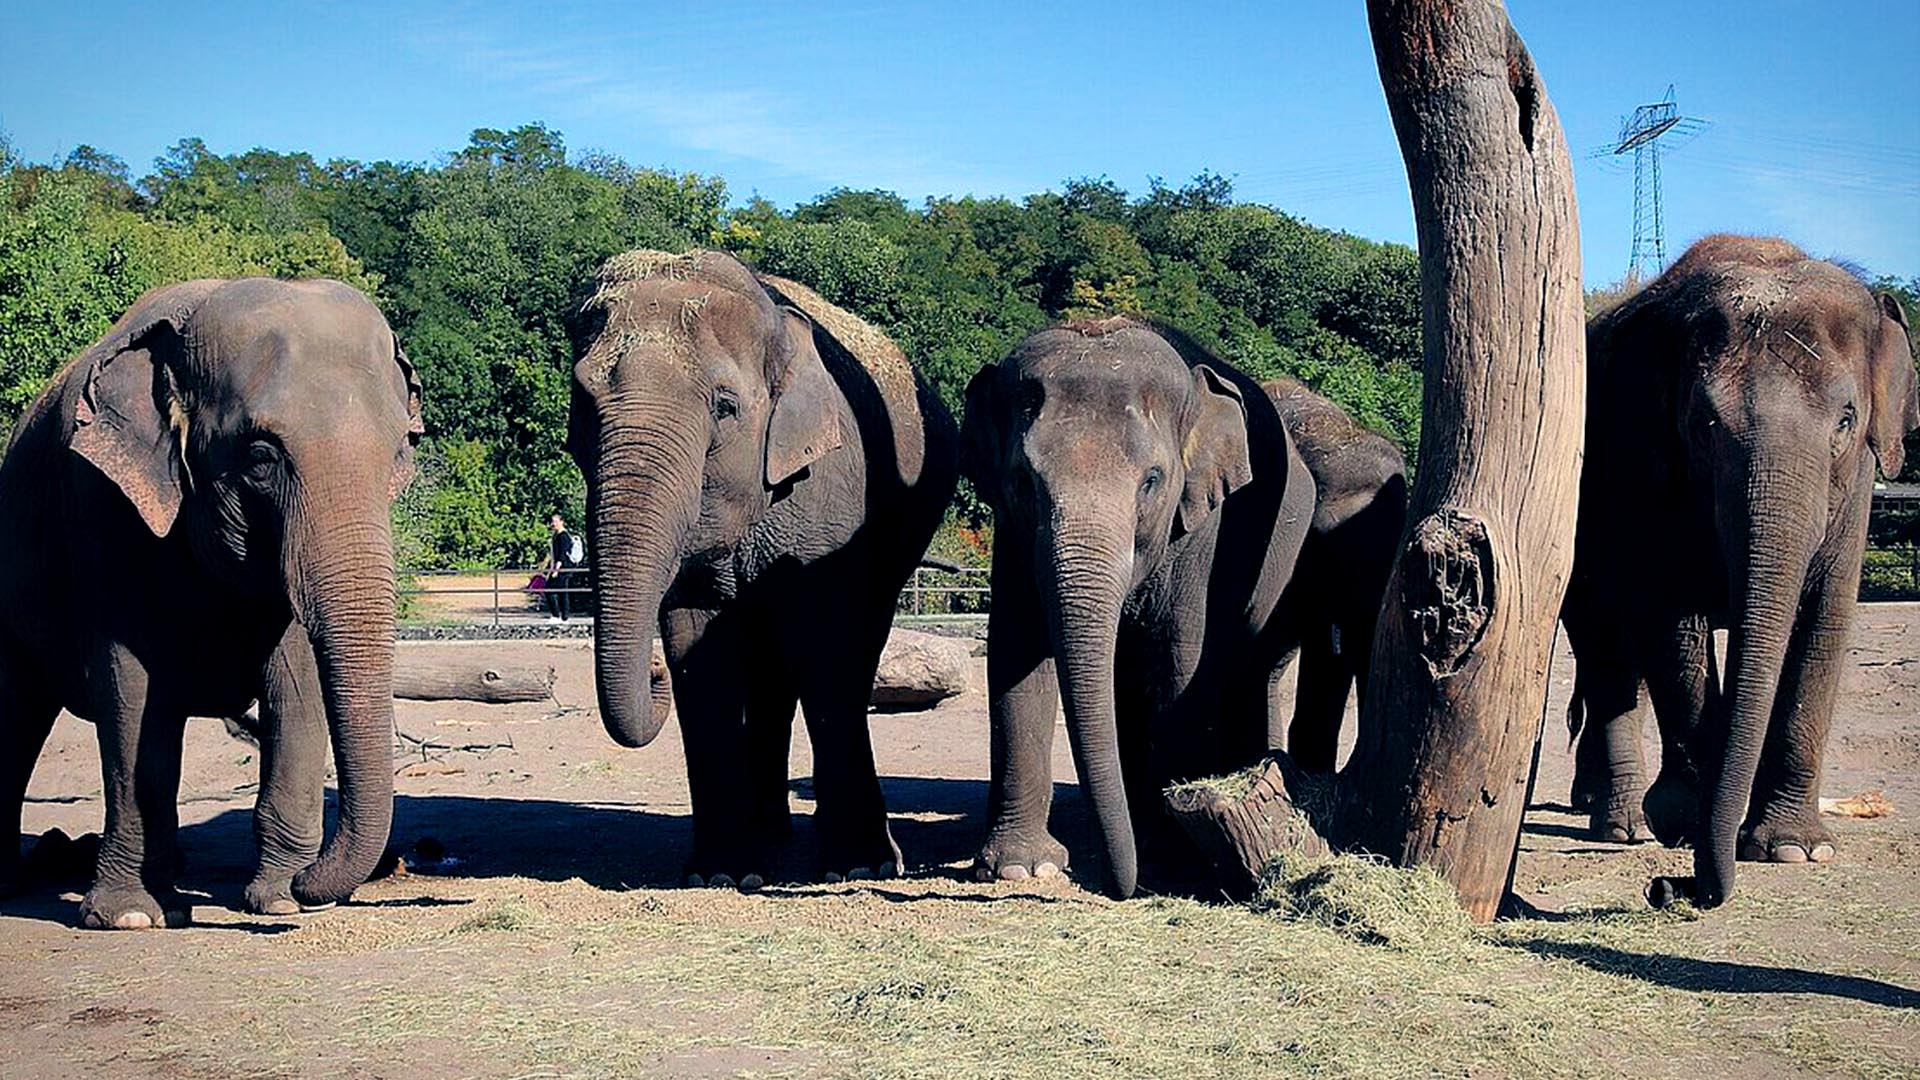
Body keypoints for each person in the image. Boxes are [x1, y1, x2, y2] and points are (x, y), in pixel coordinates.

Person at [544, 513, 586, 622]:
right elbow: (554, 554)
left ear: (561, 522)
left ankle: (559, 616)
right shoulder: (556, 536)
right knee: (561, 592)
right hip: (559, 568)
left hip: (563, 568)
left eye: (555, 521)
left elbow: (562, 554)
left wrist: (556, 569)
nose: (553, 524)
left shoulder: (563, 536)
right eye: (552, 521)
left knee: (552, 590)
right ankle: (562, 616)